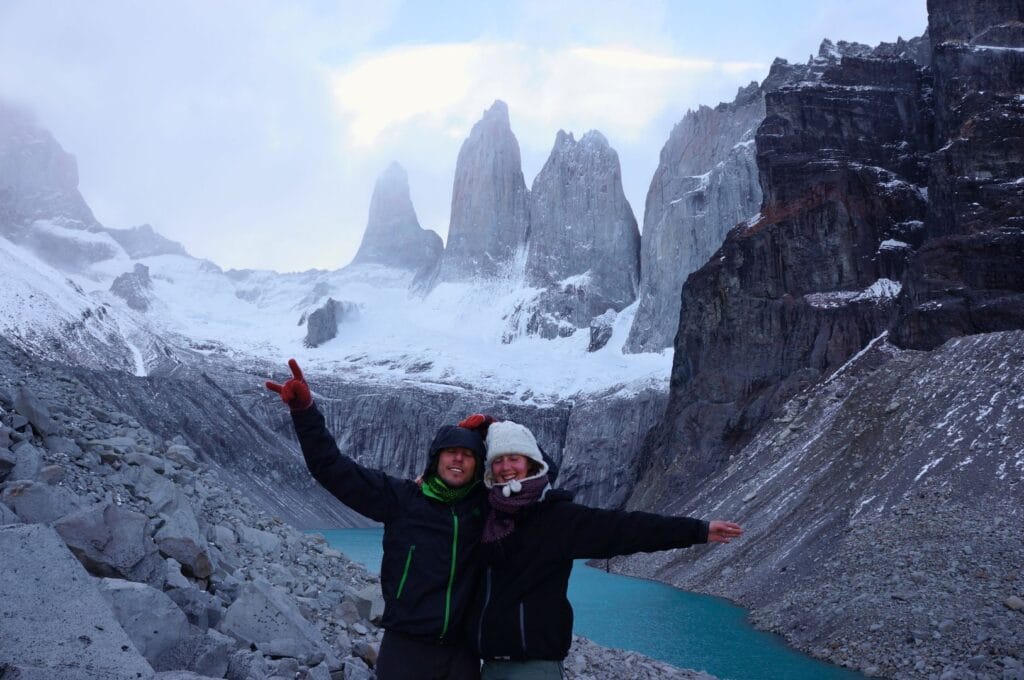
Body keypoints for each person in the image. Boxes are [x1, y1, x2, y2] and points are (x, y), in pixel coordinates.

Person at [466, 419, 744, 679]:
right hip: (489, 665)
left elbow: (626, 528)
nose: (506, 467)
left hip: (532, 666)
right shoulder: (488, 514)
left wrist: (698, 530)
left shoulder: (556, 517)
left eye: (514, 458)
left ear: (531, 463)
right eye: (498, 461)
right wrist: (490, 429)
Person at [266, 359, 488, 680]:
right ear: (435, 459)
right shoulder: (402, 500)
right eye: (450, 451)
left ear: (477, 466)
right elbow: (332, 468)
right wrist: (305, 413)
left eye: (467, 454)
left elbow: (531, 472)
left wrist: (492, 429)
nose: (458, 458)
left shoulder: (484, 509)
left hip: (462, 654)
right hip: (405, 649)